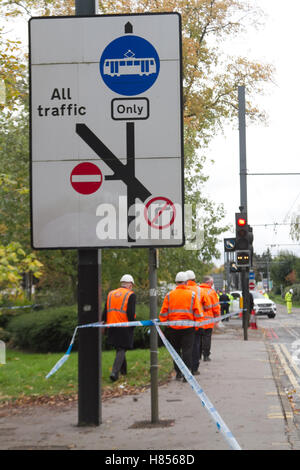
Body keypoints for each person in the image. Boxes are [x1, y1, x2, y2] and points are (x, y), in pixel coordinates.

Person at [159, 271, 202, 381]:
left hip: (173, 327)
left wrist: (164, 323)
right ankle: (187, 374)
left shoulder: (169, 295)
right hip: (188, 328)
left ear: (176, 283)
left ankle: (178, 373)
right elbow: (198, 312)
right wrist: (197, 326)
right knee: (187, 350)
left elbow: (163, 312)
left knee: (176, 351)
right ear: (186, 282)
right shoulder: (192, 295)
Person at [102, 274, 136, 381]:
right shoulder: (130, 294)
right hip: (124, 325)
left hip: (112, 325)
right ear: (130, 285)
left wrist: (104, 323)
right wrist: (133, 325)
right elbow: (130, 313)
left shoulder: (111, 294)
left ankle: (124, 371)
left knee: (120, 348)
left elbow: (105, 311)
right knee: (122, 348)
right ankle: (114, 372)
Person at [185, 270, 210, 375]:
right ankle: (195, 368)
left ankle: (185, 368)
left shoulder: (181, 290)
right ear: (195, 279)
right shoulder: (200, 291)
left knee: (185, 347)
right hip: (198, 322)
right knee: (196, 346)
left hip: (184, 323)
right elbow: (208, 306)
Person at [198, 275, 221, 362]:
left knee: (199, 338)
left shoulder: (197, 290)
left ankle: (198, 355)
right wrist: (217, 317)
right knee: (207, 338)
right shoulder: (211, 292)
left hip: (198, 319)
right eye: (212, 283)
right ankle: (206, 355)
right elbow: (216, 306)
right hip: (208, 320)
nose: (212, 284)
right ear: (208, 282)